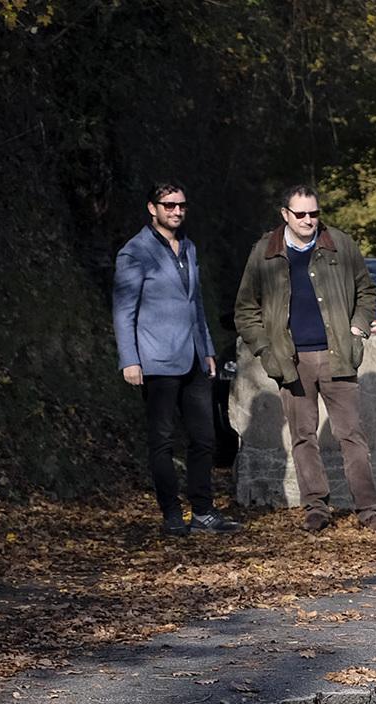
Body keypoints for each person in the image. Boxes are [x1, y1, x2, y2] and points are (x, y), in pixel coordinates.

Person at [233, 184, 376, 533]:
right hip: (291, 360)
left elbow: (367, 291)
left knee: (351, 435)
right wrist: (266, 350)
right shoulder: (264, 251)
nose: (308, 220)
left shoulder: (340, 244)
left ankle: (368, 509)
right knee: (304, 436)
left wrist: (357, 331)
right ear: (285, 214)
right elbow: (245, 309)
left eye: (314, 213)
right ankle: (316, 508)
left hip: (338, 356)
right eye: (300, 214)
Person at [111, 182, 241, 537]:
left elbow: (195, 303)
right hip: (155, 360)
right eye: (169, 205)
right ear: (152, 208)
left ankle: (203, 511)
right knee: (163, 441)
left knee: (204, 438)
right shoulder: (134, 252)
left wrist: (209, 349)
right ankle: (171, 514)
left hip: (194, 358)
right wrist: (130, 359)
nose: (176, 211)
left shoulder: (189, 248)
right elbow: (124, 310)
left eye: (181, 205)